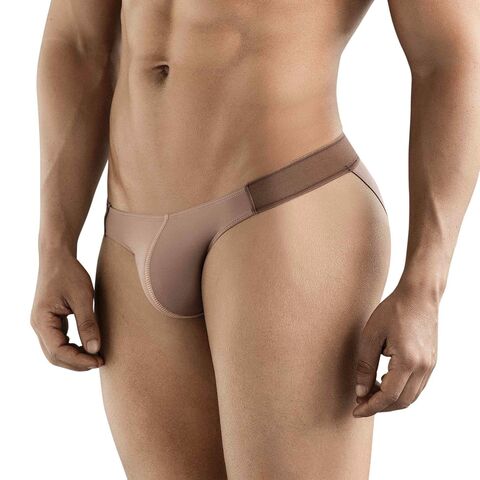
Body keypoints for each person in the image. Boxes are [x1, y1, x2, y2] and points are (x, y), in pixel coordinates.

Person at [31, 1, 480, 478]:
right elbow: (77, 44)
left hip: (284, 211)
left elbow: (452, 55)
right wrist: (55, 244)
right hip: (129, 232)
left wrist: (425, 286)